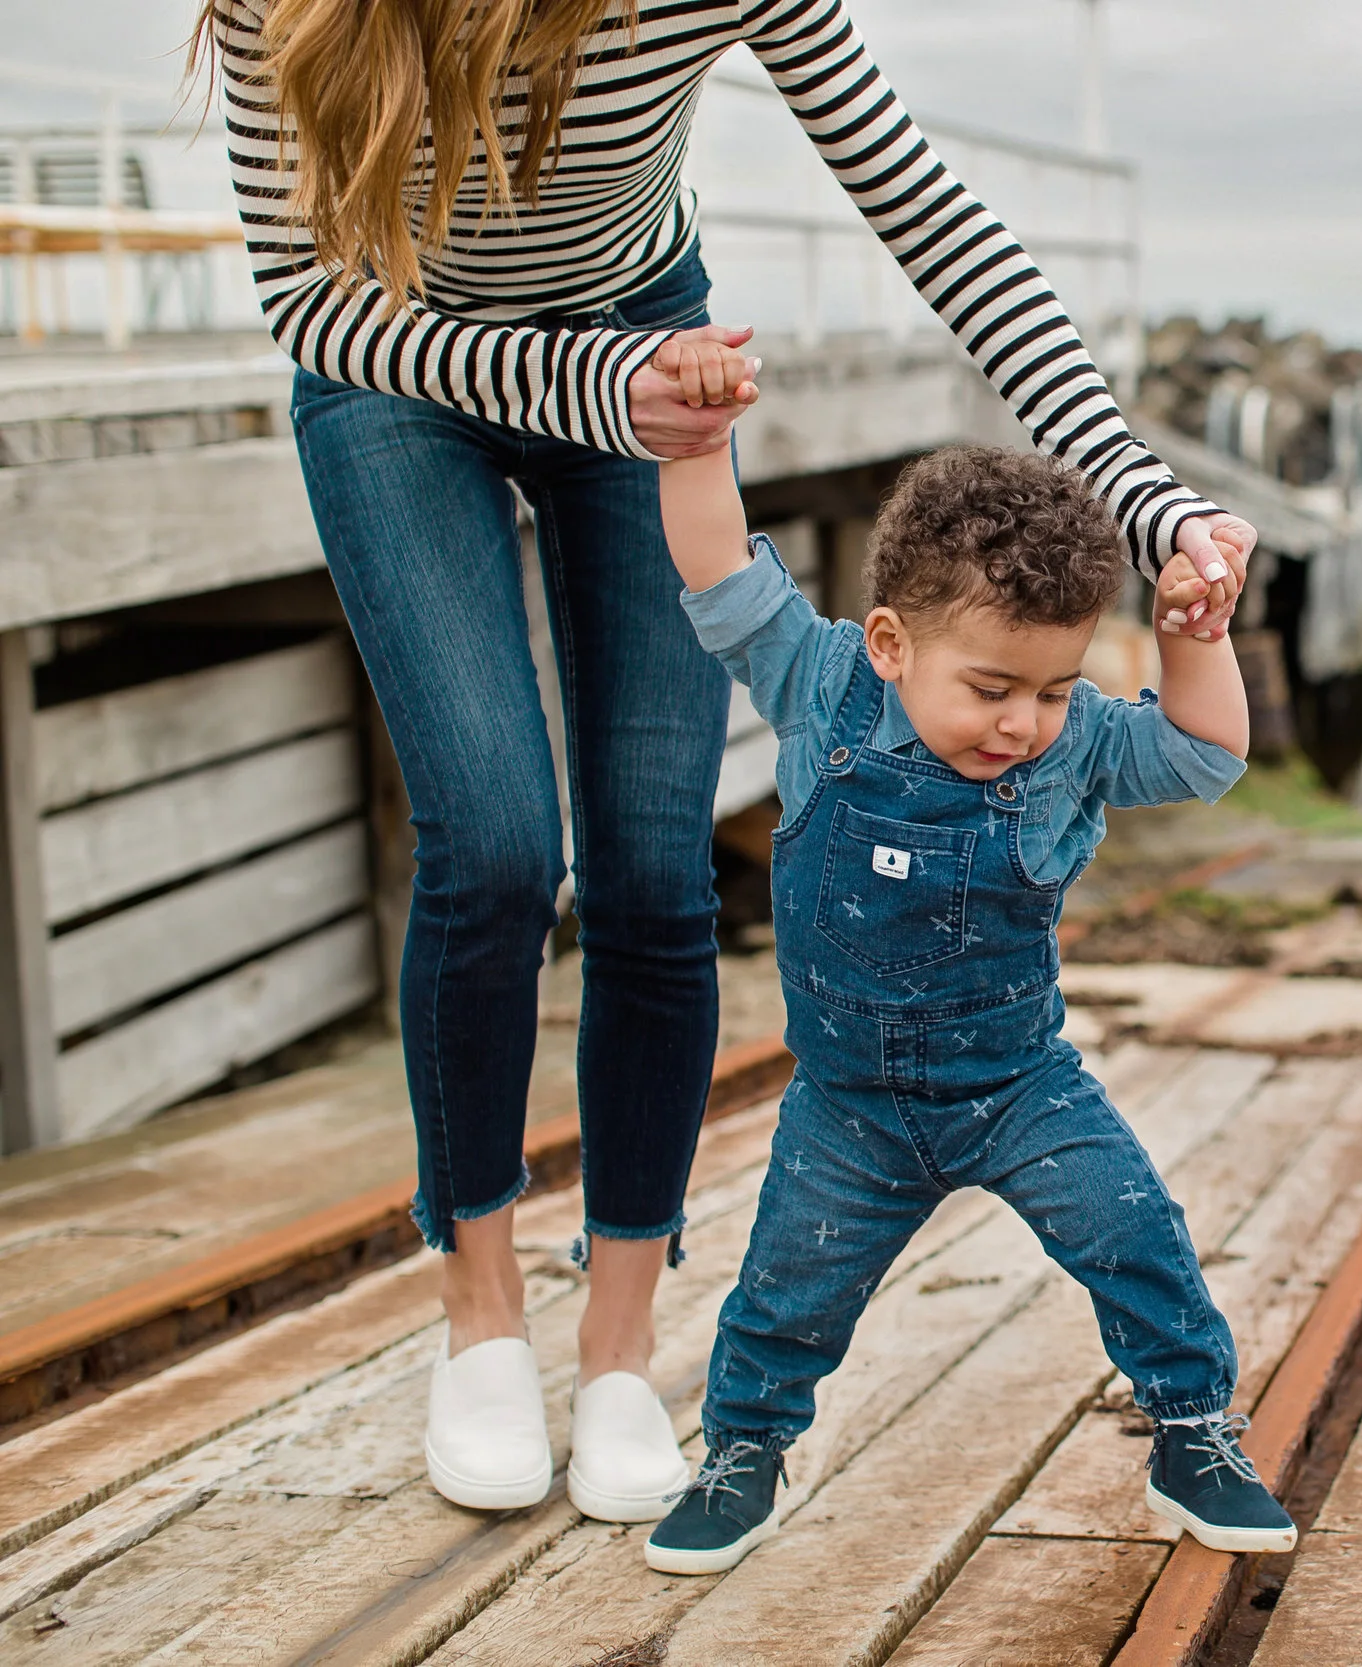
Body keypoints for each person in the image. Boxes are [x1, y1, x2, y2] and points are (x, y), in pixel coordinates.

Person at [191, 0, 1252, 1523]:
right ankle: (480, 1306)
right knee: (491, 843)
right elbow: (308, 302)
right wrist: (578, 392)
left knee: (647, 857)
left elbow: (934, 220)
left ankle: (619, 1339)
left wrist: (1149, 506)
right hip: (393, 371)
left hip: (646, 344)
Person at [633, 415, 1288, 1575]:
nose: (1019, 722)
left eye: (1051, 687)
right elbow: (718, 568)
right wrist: (695, 439)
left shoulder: (1071, 744)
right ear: (889, 641)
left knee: (1136, 1235)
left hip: (1019, 1086)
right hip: (849, 1106)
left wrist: (1196, 636)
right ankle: (742, 1453)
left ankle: (1193, 1432)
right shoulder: (822, 682)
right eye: (991, 687)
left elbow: (1205, 752)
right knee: (787, 1288)